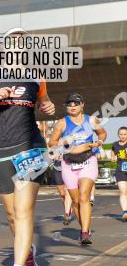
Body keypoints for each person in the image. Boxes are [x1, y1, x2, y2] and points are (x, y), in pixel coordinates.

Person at [0, 28, 56, 266]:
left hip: (31, 148)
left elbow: (45, 102)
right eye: (13, 42)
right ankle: (28, 255)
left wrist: (48, 107)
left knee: (24, 212)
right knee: (12, 216)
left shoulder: (38, 75)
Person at [49, 93, 107, 244]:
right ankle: (84, 230)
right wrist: (64, 147)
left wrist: (99, 142)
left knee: (83, 197)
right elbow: (52, 142)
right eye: (69, 103)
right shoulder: (61, 123)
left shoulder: (92, 120)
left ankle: (85, 233)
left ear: (82, 105)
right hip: (68, 163)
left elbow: (102, 133)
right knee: (75, 202)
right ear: (66, 107)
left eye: (76, 103)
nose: (73, 106)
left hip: (88, 160)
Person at [109, 126, 127, 222]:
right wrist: (113, 157)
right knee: (123, 191)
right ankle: (125, 212)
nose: (123, 136)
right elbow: (112, 154)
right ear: (118, 135)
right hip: (120, 171)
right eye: (121, 134)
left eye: (125, 134)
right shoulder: (115, 144)